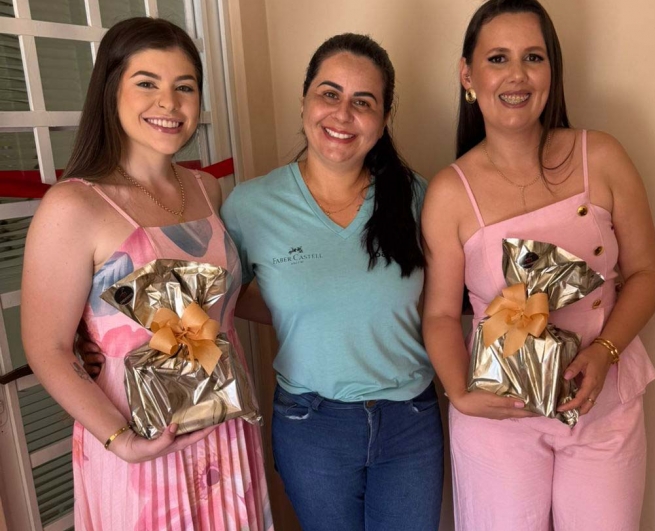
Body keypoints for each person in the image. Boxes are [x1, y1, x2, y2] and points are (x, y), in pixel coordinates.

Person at [421, 1, 655, 530]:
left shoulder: (602, 157)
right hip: (499, 415)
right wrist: (460, 393)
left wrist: (604, 352)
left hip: (604, 403)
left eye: (533, 57)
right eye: (498, 58)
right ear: (467, 75)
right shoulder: (449, 193)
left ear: (552, 72)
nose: (516, 75)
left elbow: (648, 272)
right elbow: (439, 314)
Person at [21, 18, 273, 531]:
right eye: (147, 83)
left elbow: (224, 304)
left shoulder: (206, 189)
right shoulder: (73, 205)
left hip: (222, 424)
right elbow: (47, 348)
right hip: (137, 438)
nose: (170, 103)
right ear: (111, 90)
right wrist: (121, 440)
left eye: (185, 87)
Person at [220, 33, 444, 531]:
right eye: (329, 93)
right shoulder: (249, 205)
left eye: (363, 102)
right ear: (304, 101)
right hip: (311, 425)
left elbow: (455, 294)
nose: (343, 114)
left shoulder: (418, 197)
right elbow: (216, 299)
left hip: (409, 422)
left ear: (383, 119)